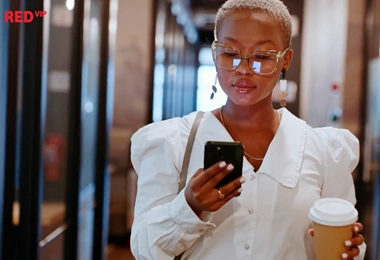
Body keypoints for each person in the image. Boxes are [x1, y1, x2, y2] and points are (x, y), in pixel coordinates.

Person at [129, 0, 366, 259]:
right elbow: (144, 250)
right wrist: (190, 207)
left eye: (261, 57)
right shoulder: (173, 142)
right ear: (215, 54)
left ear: (285, 60)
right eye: (230, 53)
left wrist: (350, 248)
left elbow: (344, 240)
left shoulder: (323, 151)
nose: (243, 69)